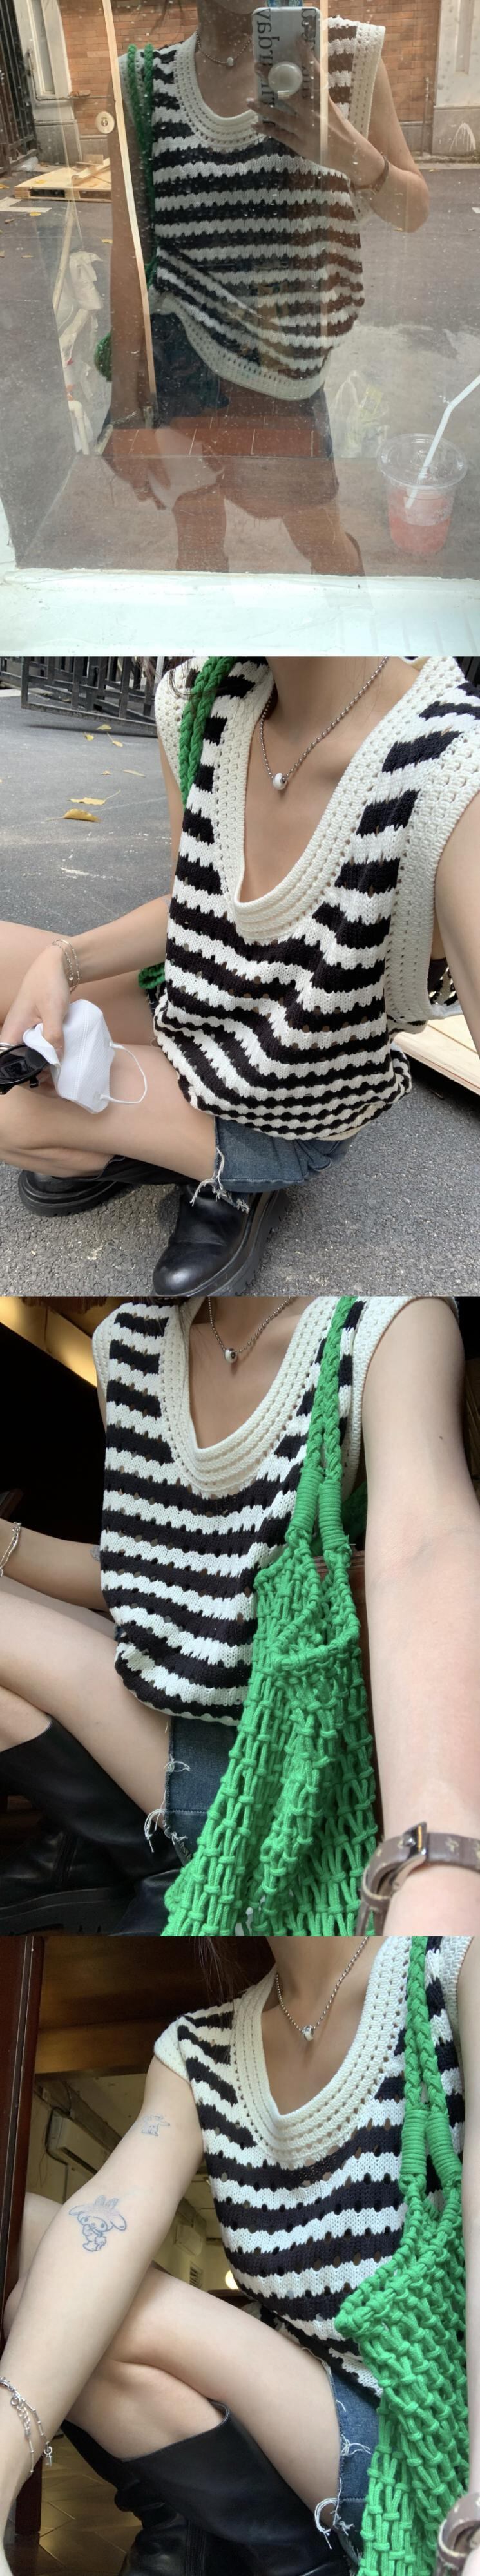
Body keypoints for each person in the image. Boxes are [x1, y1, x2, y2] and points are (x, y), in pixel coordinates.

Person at [1, 654, 480, 1301]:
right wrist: (62, 961)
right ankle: (143, 1134)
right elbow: (191, 903)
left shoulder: (452, 768)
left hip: (289, 1100)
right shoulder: (197, 698)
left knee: (14, 1117)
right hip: (192, 1005)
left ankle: (231, 1173)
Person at [1, 1291, 480, 1936]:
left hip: (294, 1776)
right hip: (178, 1717)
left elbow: (424, 1551)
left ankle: (172, 1851)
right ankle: (147, 1852)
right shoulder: (124, 1343)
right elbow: (158, 1575)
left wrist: (437, 1862)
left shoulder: (381, 1324)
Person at [0, 1934, 479, 2576]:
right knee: (30, 2234)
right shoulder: (198, 2049)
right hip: (300, 2415)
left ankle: (262, 2546)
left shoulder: (451, 1965)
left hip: (430, 2442)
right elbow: (111, 2214)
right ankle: (261, 2547)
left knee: (94, 2310)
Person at [101, 0, 428, 577]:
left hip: (286, 379)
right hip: (182, 369)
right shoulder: (142, 83)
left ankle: (352, 636)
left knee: (320, 540)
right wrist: (127, 410)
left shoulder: (347, 57)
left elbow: (412, 212)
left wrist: (349, 154)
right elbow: (130, 251)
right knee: (197, 542)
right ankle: (210, 638)